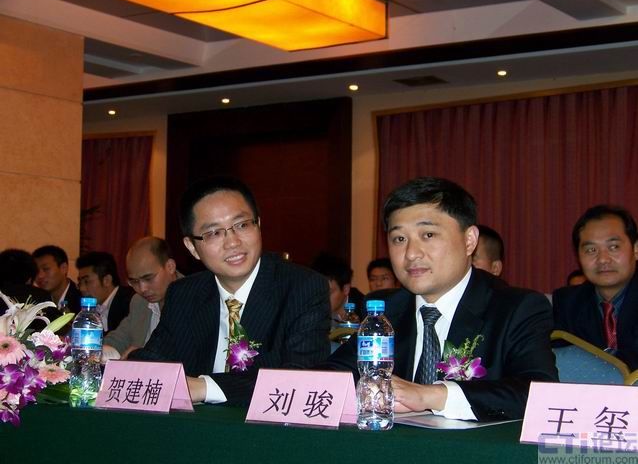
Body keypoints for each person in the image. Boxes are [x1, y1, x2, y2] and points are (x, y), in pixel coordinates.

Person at [327, 177, 557, 421]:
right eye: (399, 239)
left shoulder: (517, 308)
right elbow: (332, 376)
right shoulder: (385, 311)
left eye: (428, 234)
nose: (411, 254)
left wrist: (433, 396)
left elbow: (540, 393)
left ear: (469, 240)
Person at [130, 176, 331, 405]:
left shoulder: (302, 288)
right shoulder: (183, 294)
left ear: (258, 225)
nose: (233, 242)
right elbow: (155, 359)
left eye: (242, 225)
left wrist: (205, 388)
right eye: (213, 233)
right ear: (192, 247)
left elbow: (301, 379)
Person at [553, 205, 638, 369]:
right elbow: (560, 360)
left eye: (613, 247)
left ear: (635, 249)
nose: (603, 259)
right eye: (591, 250)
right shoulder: (567, 302)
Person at [102, 237, 181, 361]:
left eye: (148, 278)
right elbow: (119, 338)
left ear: (170, 267)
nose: (142, 289)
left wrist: (142, 354)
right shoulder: (139, 301)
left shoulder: (194, 298)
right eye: (134, 281)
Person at [76, 251, 134, 334]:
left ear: (107, 280)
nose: (82, 288)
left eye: (86, 281)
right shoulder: (87, 307)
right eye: (80, 282)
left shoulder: (129, 304)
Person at [33, 245, 82, 314]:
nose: (40, 276)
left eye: (46, 269)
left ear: (63, 268)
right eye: (36, 271)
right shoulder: (36, 301)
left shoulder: (80, 301)